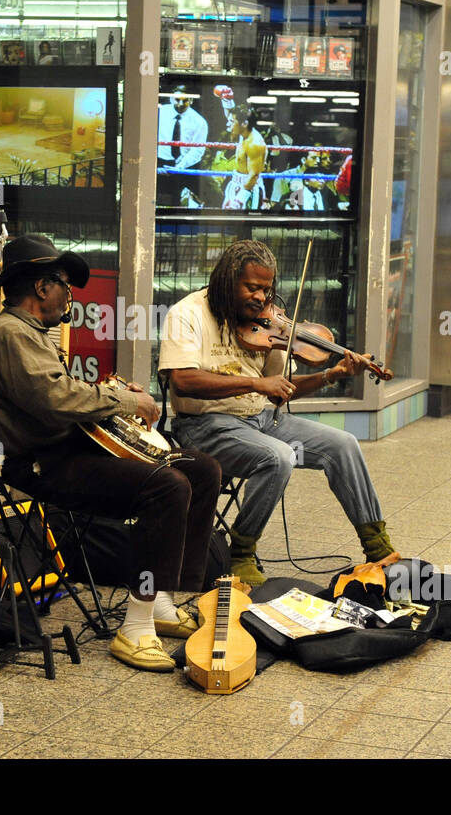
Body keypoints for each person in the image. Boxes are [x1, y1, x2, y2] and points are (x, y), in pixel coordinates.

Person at [0, 235, 222, 671]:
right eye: (65, 285)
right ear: (41, 287)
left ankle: (161, 601)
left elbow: (62, 395)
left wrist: (107, 393)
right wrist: (125, 402)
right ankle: (136, 629)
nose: (70, 295)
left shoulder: (30, 333)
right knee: (167, 486)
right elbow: (55, 399)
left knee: (202, 468)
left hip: (68, 450)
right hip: (41, 463)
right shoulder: (9, 334)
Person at [159, 239, 396, 586]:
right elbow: (183, 381)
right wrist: (255, 385)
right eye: (252, 288)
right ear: (227, 280)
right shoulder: (187, 313)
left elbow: (281, 390)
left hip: (262, 420)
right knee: (278, 457)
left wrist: (332, 375)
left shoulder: (266, 324)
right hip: (205, 425)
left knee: (343, 444)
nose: (260, 298)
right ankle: (241, 550)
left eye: (267, 290)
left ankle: (378, 547)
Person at [156, 84, 208, 208]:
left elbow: (198, 150)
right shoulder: (159, 113)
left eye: (184, 100)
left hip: (185, 164)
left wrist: (179, 167)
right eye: (177, 99)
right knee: (157, 200)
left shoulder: (199, 122)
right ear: (171, 98)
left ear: (191, 100)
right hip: (159, 161)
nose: (180, 104)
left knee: (178, 203)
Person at [221, 105, 268, 210]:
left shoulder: (254, 143)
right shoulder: (244, 133)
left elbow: (254, 176)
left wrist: (239, 200)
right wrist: (226, 100)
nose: (228, 124)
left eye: (232, 122)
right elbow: (233, 116)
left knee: (245, 224)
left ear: (245, 124)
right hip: (235, 184)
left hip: (248, 189)